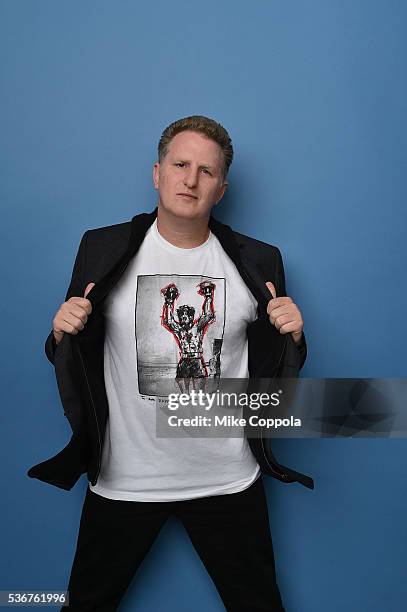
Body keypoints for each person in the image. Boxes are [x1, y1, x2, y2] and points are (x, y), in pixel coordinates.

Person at [28, 115, 313, 611]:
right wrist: (58, 333)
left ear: (221, 189)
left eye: (206, 171)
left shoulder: (259, 260)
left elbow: (278, 369)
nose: (191, 179)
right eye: (180, 164)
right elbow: (68, 350)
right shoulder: (103, 248)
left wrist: (294, 338)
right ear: (157, 173)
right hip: (126, 479)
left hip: (226, 477)